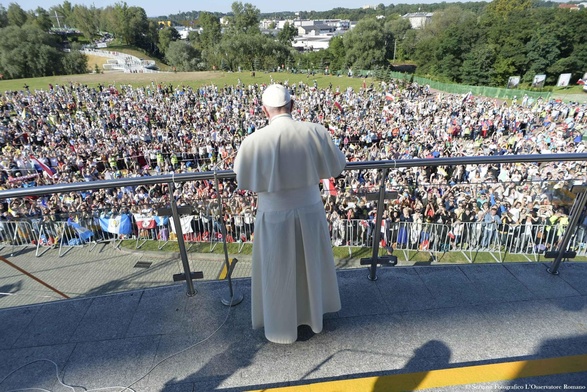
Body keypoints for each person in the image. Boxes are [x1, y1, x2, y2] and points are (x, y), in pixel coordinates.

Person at [234, 84, 347, 344]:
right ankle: (313, 316)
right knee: (310, 264)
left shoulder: (253, 141)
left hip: (273, 215)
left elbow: (242, 178)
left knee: (278, 269)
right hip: (310, 210)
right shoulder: (315, 132)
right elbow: (338, 165)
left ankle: (280, 325)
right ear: (292, 106)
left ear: (264, 110)